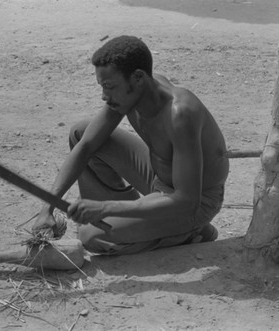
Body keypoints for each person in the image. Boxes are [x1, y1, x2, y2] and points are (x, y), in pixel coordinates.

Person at [32, 35, 229, 255]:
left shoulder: (180, 114)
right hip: (160, 179)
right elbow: (86, 145)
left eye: (109, 86)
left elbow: (186, 201)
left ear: (138, 77)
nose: (104, 96)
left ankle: (190, 233)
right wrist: (47, 207)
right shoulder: (132, 94)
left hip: (193, 203)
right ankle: (117, 219)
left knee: (90, 236)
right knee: (80, 132)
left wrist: (106, 208)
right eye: (102, 87)